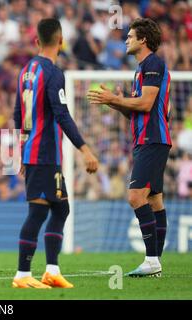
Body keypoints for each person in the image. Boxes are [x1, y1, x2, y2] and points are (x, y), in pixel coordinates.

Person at [13, 18, 98, 289]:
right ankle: (23, 274)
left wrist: (20, 149)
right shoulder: (53, 73)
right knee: (38, 212)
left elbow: (18, 114)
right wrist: (85, 149)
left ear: (37, 40)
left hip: (37, 153)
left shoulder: (26, 71)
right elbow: (61, 114)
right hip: (44, 153)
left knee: (61, 209)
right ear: (60, 41)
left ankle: (51, 270)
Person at [87, 18, 170, 277]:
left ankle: (152, 260)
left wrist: (117, 98)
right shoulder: (139, 71)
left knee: (135, 197)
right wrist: (116, 103)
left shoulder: (153, 63)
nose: (126, 39)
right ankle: (154, 261)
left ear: (143, 39)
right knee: (155, 201)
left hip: (152, 139)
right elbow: (135, 114)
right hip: (145, 140)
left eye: (130, 36)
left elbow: (146, 105)